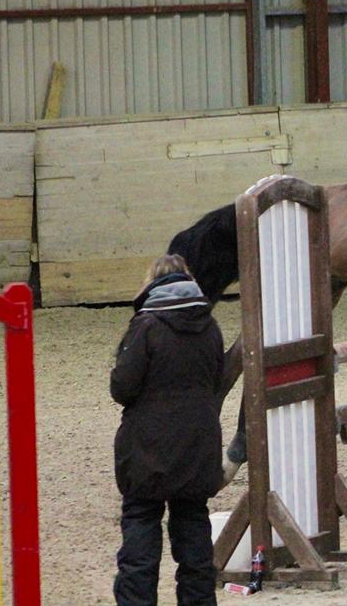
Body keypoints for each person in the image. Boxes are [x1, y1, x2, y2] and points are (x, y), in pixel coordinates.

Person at [111, 254, 224, 606]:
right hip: (198, 441)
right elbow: (217, 379)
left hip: (147, 445)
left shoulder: (145, 326)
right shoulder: (211, 327)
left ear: (152, 283)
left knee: (142, 527)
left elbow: (122, 388)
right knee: (193, 526)